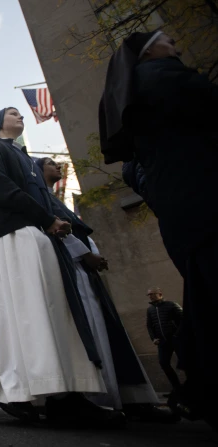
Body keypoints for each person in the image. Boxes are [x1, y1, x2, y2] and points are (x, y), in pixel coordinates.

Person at [0, 108, 123, 426]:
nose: (20, 115)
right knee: (34, 310)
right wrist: (47, 219)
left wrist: (53, 222)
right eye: (12, 113)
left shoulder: (24, 158)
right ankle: (54, 394)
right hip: (14, 235)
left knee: (56, 311)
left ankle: (63, 392)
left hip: (38, 235)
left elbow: (44, 199)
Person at [99, 31, 218, 426]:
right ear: (148, 51)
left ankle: (199, 388)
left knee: (204, 295)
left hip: (181, 212)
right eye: (168, 39)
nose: (178, 43)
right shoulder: (164, 78)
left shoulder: (137, 96)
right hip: (202, 199)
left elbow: (134, 167)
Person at [38, 157, 177, 422]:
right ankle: (101, 399)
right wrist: (84, 255)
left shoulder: (55, 200)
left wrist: (94, 254)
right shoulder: (43, 201)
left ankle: (133, 399)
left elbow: (79, 231)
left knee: (109, 328)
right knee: (93, 331)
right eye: (49, 162)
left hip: (86, 271)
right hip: (73, 270)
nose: (57, 166)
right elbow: (57, 233)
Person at [146, 287, 183, 393]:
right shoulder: (150, 310)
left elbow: (184, 320)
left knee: (186, 362)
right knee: (163, 363)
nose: (151, 296)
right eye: (149, 295)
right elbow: (149, 326)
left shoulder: (171, 305)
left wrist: (177, 335)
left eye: (153, 294)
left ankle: (193, 386)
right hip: (162, 342)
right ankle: (177, 388)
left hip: (176, 340)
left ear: (160, 294)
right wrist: (154, 338)